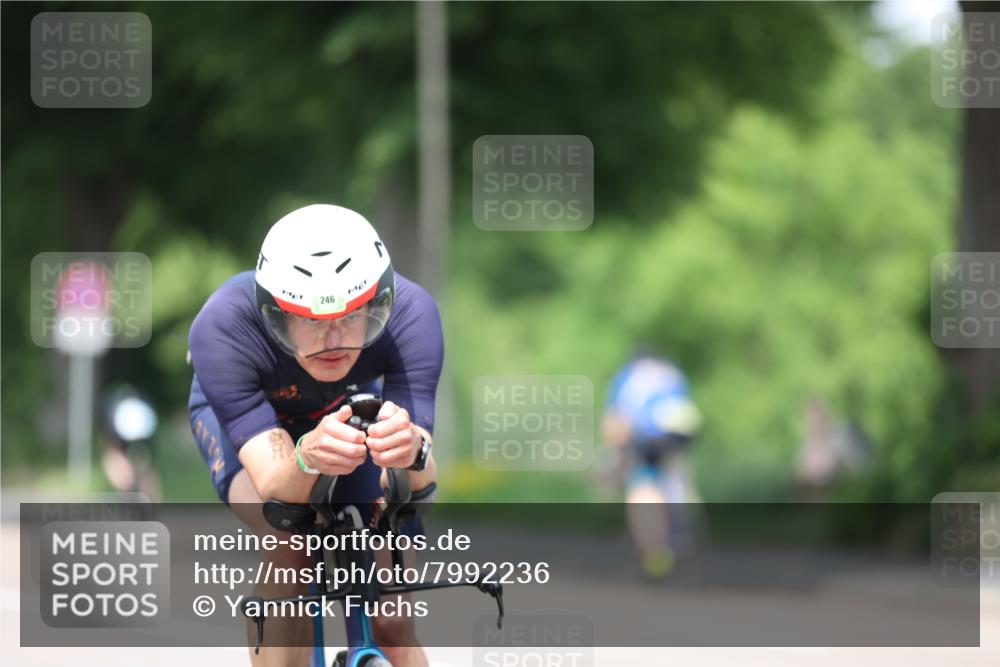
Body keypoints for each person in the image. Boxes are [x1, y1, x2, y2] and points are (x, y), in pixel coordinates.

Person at [188, 204, 442, 667]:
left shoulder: (412, 313)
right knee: (289, 537)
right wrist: (306, 457)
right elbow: (274, 485)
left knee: (392, 619)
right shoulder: (223, 326)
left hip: (345, 409)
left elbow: (422, 482)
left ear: (378, 304)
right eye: (311, 321)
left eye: (352, 316)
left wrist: (410, 451)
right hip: (258, 431)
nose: (333, 340)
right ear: (275, 315)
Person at [601, 347, 702, 579]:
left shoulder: (627, 375)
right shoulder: (672, 373)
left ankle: (654, 549)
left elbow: (616, 420)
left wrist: (613, 454)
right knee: (675, 479)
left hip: (644, 436)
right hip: (677, 434)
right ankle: (679, 530)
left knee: (642, 485)